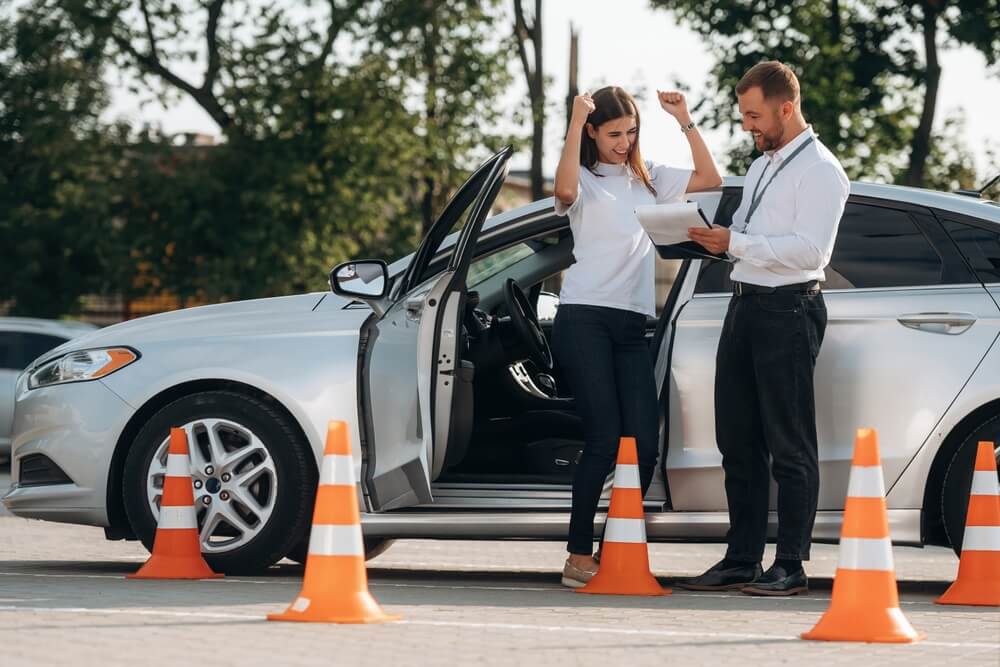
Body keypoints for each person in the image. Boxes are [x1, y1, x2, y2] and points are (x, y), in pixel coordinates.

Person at [679, 61, 849, 596]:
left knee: (789, 442)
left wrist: (735, 243)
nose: (747, 126)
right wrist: (708, 240)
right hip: (745, 304)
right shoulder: (760, 168)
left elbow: (810, 251)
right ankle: (741, 560)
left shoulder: (821, 170)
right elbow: (747, 236)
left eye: (754, 116)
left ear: (786, 108)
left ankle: (792, 565)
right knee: (737, 439)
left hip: (788, 309)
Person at [552, 85, 722, 588]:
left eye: (630, 132)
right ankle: (578, 552)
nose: (624, 142)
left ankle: (615, 546)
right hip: (583, 318)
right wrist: (573, 120)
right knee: (604, 437)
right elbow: (562, 192)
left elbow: (710, 179)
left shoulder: (649, 181)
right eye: (613, 134)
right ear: (591, 133)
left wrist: (684, 119)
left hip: (629, 324)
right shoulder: (582, 178)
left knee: (644, 442)